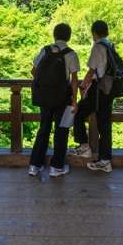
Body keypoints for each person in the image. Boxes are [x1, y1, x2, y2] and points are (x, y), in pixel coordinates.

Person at [28, 23, 80, 177]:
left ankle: (34, 166)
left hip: (44, 97)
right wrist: (75, 100)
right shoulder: (71, 54)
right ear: (69, 36)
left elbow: (33, 71)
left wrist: (46, 85)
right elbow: (74, 80)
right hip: (62, 98)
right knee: (61, 130)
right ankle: (56, 167)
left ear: (54, 35)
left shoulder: (45, 50)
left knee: (43, 129)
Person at [70, 20, 114, 173]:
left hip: (98, 89)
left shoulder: (98, 47)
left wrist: (82, 86)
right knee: (105, 125)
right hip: (109, 88)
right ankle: (105, 160)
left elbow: (91, 72)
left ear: (94, 33)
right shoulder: (110, 45)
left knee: (78, 112)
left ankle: (84, 147)